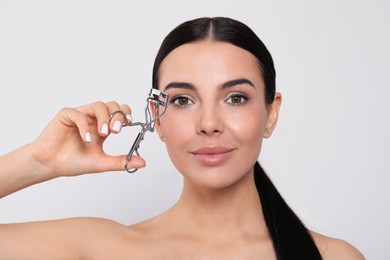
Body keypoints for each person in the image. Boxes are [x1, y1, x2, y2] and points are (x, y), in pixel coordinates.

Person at [0, 17, 364, 259]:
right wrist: (37, 162)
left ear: (271, 113)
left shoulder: (334, 257)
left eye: (235, 98)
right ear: (157, 119)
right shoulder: (103, 249)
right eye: (183, 100)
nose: (209, 123)